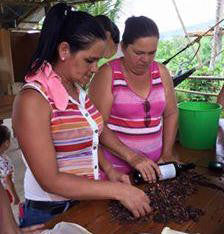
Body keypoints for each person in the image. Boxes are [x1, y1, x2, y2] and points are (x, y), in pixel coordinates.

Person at [12, 3, 152, 227]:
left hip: (82, 202)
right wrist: (116, 190)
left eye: (98, 60)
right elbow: (50, 180)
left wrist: (110, 170)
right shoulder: (32, 101)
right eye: (90, 60)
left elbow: (92, 133)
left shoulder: (77, 91)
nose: (96, 68)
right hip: (50, 213)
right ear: (65, 50)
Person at [89, 16, 178, 183]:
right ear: (123, 47)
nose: (146, 60)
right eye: (139, 53)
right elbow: (97, 126)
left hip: (155, 168)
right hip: (117, 172)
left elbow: (171, 113)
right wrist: (132, 157)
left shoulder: (161, 72)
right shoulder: (108, 74)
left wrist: (167, 153)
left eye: (152, 53)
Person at [0, 124, 20, 205]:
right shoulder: (4, 161)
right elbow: (7, 180)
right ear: (7, 142)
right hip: (4, 192)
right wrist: (15, 196)